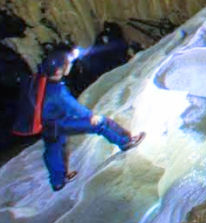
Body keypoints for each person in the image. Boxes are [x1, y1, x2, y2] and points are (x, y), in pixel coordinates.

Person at [10, 44, 143, 191]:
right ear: (60, 69)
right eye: (68, 64)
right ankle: (125, 142)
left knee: (53, 149)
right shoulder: (57, 90)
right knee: (101, 124)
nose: (70, 66)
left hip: (47, 124)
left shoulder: (41, 81)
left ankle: (58, 181)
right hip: (59, 122)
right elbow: (73, 107)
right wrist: (91, 116)